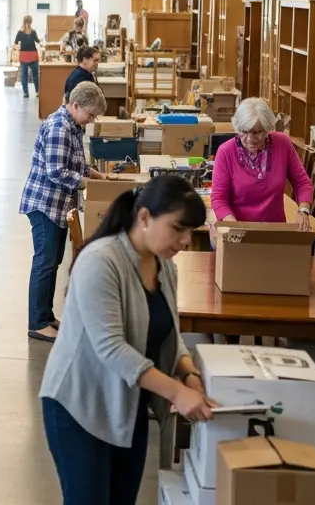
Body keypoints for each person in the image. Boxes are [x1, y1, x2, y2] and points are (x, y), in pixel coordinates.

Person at [40, 175, 215, 504]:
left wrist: (189, 373)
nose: (185, 241)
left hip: (128, 404)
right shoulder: (101, 261)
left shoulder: (166, 268)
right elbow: (111, 348)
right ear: (145, 217)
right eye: (178, 229)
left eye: (191, 232)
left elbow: (168, 334)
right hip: (80, 405)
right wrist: (176, 391)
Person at [20, 81, 114, 343]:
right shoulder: (58, 127)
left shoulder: (74, 126)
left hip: (60, 206)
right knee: (45, 262)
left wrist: (98, 176)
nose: (91, 120)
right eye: (90, 114)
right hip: (45, 205)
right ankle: (37, 323)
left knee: (54, 262)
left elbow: (77, 163)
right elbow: (57, 172)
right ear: (75, 105)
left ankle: (46, 315)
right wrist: (88, 184)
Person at [211, 97, 314, 237]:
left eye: (257, 132)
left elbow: (302, 182)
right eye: (244, 131)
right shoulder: (225, 152)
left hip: (274, 232)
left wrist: (303, 210)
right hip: (237, 233)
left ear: (267, 129)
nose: (250, 139)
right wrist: (233, 225)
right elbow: (219, 198)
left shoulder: (282, 143)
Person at [15, 15, 42, 98]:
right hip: (24, 55)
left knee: (35, 75)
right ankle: (25, 92)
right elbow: (16, 42)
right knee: (24, 75)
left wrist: (41, 41)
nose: (28, 24)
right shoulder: (20, 32)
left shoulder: (33, 32)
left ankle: (37, 91)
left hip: (33, 55)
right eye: (27, 22)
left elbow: (37, 40)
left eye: (29, 22)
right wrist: (17, 47)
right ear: (24, 22)